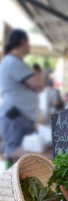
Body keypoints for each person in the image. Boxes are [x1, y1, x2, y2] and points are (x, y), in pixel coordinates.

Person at [0, 29, 44, 161]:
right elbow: (38, 83)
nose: (29, 46)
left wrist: (32, 85)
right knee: (17, 156)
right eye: (28, 42)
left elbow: (39, 86)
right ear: (23, 42)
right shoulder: (13, 61)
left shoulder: (12, 61)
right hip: (16, 117)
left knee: (21, 158)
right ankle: (9, 182)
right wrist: (32, 84)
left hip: (19, 117)